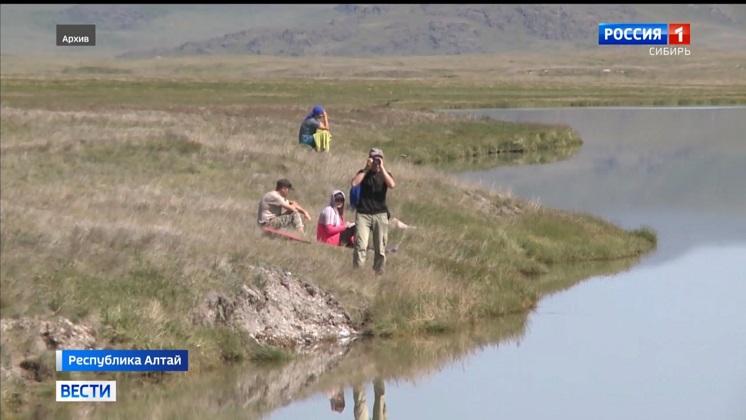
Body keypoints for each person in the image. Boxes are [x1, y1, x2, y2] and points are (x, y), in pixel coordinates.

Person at [350, 148, 395, 275]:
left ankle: (378, 273)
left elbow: (392, 185)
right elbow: (354, 183)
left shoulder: (385, 174)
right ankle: (358, 273)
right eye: (374, 158)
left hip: (380, 215)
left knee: (380, 248)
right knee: (360, 246)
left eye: (378, 158)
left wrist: (382, 168)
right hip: (363, 214)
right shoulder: (364, 173)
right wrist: (366, 168)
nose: (376, 161)